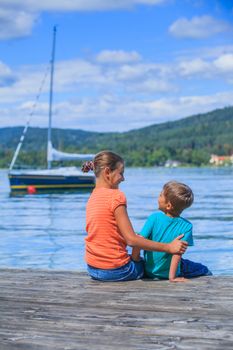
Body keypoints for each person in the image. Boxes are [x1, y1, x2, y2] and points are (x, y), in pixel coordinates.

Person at [82, 150, 188, 282]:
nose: (123, 178)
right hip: (117, 271)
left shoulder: (93, 196)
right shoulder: (116, 197)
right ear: (108, 172)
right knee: (153, 266)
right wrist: (169, 247)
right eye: (121, 173)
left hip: (92, 268)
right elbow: (131, 240)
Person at [132, 181, 212, 282]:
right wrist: (172, 277)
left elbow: (140, 240)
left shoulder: (153, 218)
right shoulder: (187, 226)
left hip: (149, 271)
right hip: (170, 273)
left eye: (161, 195)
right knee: (205, 270)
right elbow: (178, 253)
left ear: (168, 205)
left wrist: (135, 258)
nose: (158, 197)